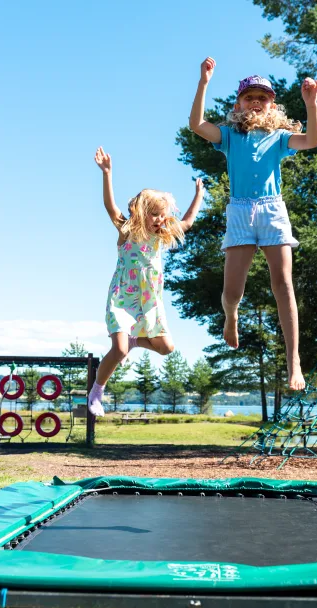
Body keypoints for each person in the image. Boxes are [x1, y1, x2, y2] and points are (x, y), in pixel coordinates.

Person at [189, 58, 317, 391]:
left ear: (272, 103)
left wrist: (311, 105)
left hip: (272, 210)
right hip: (241, 212)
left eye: (263, 97)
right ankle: (231, 315)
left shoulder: (279, 136)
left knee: (283, 285)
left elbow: (311, 141)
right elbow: (197, 125)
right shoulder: (231, 136)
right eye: (250, 97)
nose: (257, 102)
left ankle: (294, 363)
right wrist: (204, 83)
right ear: (239, 103)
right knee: (233, 291)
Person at [88, 146, 204, 417]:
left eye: (162, 215)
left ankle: (136, 341)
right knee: (118, 350)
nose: (160, 220)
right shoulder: (126, 229)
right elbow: (110, 206)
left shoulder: (160, 236)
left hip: (149, 301)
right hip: (123, 299)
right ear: (141, 212)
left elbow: (186, 222)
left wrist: (198, 195)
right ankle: (96, 391)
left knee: (166, 348)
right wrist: (107, 173)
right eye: (154, 214)